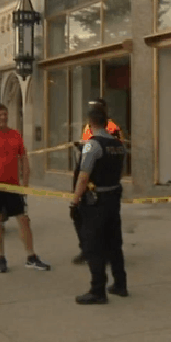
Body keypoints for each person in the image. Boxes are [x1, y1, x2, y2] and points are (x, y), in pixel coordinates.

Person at [0, 103, 50, 273]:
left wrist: (25, 181)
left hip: (13, 186)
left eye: (5, 114)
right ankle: (1, 258)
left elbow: (23, 157)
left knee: (23, 220)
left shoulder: (15, 135)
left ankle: (31, 257)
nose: (3, 117)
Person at [70, 106, 128, 305]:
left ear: (90, 123)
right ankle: (120, 284)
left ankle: (98, 290)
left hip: (95, 202)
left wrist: (75, 201)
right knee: (114, 243)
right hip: (113, 198)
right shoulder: (119, 145)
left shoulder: (91, 146)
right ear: (106, 122)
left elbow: (83, 177)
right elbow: (120, 173)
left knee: (94, 245)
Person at [72, 98, 123, 265]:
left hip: (95, 185)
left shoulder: (112, 129)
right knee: (109, 228)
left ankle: (95, 257)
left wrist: (75, 198)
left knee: (93, 227)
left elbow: (84, 175)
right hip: (109, 186)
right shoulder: (92, 131)